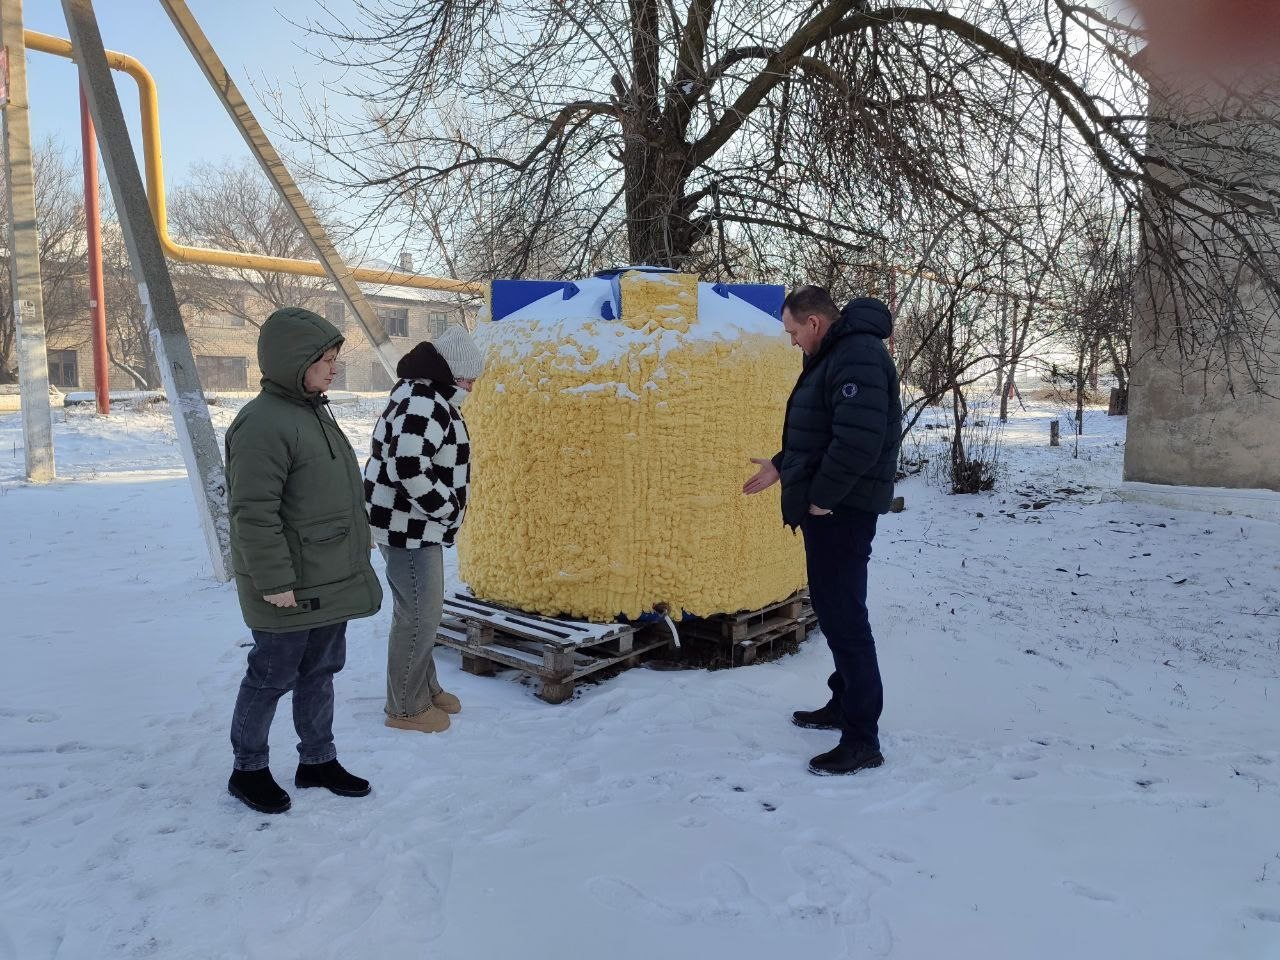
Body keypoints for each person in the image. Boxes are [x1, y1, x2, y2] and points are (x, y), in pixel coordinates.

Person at [224, 307, 383, 814]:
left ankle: (317, 760)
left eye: (335, 359)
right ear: (296, 361)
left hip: (328, 578)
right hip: (288, 585)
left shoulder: (314, 410)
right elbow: (252, 512)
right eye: (326, 359)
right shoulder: (261, 423)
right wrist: (273, 581)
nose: (333, 368)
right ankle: (247, 770)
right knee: (270, 677)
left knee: (320, 673)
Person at [743, 285, 901, 776]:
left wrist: (821, 497)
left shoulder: (858, 356)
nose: (792, 341)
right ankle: (843, 704)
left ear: (814, 323)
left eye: (793, 332)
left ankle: (862, 739)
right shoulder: (840, 352)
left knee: (846, 619)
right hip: (834, 506)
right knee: (834, 612)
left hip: (842, 509)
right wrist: (780, 464)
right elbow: (822, 432)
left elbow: (857, 442)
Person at [364, 323, 484, 734]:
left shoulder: (423, 395)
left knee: (421, 614)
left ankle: (425, 687)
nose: (470, 387)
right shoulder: (424, 402)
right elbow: (408, 465)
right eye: (467, 379)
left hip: (409, 525)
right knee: (420, 616)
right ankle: (405, 707)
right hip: (409, 529)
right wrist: (447, 509)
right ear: (448, 373)